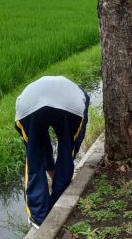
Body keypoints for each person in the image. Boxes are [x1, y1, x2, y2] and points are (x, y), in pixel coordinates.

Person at [14, 76, 90, 228]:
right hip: (68, 108)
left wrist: (49, 167)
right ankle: (59, 195)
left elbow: (41, 146)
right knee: (67, 151)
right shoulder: (80, 96)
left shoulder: (28, 94)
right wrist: (60, 168)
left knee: (34, 157)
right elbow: (73, 143)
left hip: (28, 108)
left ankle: (38, 217)